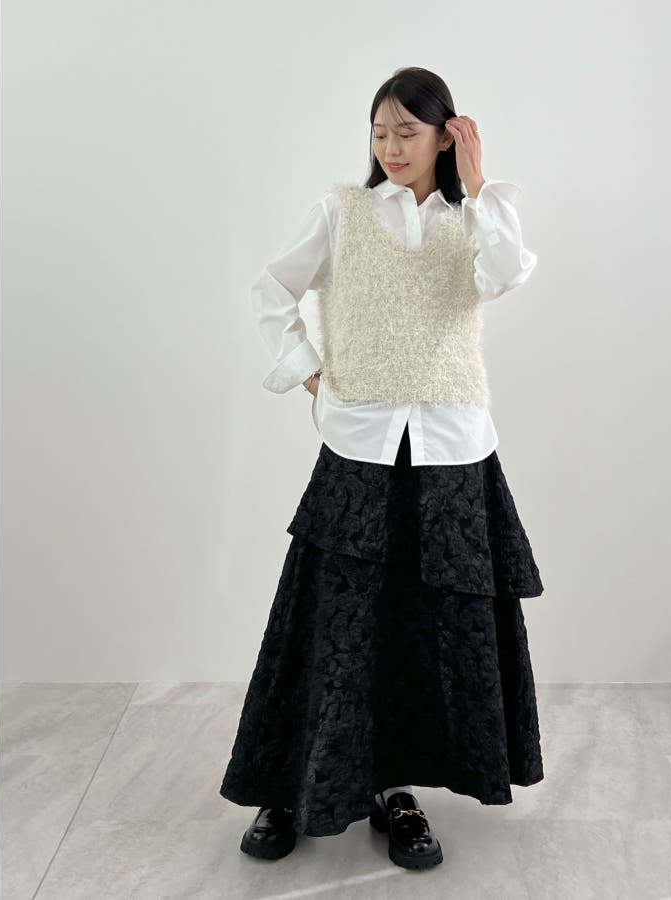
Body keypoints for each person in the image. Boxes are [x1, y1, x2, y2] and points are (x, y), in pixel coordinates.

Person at [219, 66, 546, 871]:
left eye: (408, 130)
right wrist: (308, 372)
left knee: (425, 630)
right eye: (380, 131)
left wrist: (480, 184)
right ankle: (286, 787)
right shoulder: (343, 212)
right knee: (329, 622)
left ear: (445, 135)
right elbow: (271, 289)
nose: (392, 146)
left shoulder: (475, 218)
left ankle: (395, 790)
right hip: (360, 447)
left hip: (453, 452)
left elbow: (507, 274)